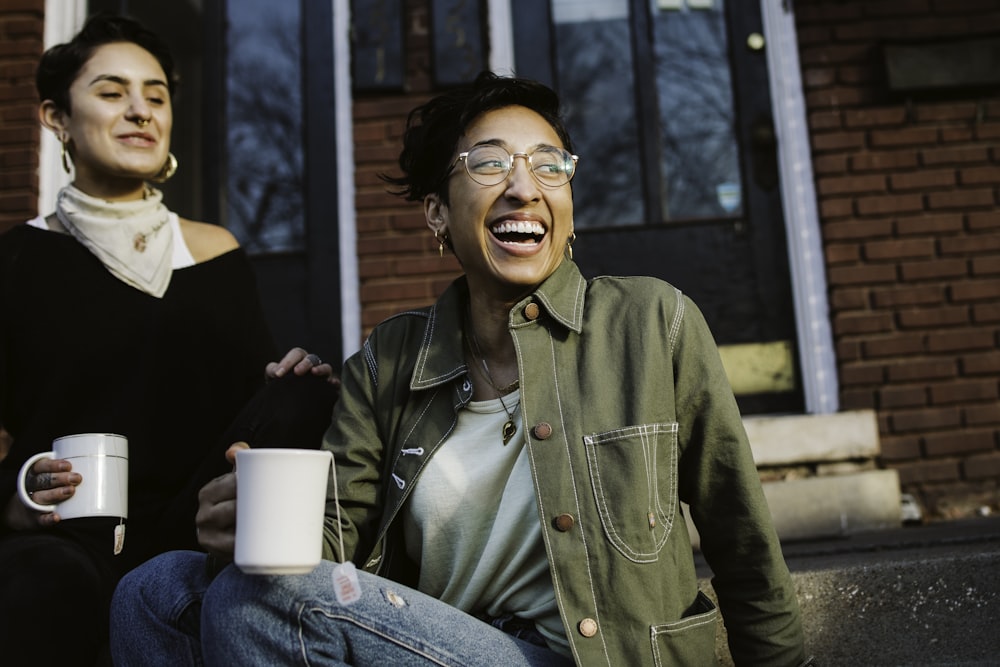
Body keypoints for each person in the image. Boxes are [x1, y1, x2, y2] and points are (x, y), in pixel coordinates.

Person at [110, 71, 809, 666]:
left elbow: (742, 538)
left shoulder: (653, 323)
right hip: (440, 643)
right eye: (489, 163)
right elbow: (334, 542)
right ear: (438, 213)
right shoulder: (390, 359)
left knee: (250, 602)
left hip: (593, 652)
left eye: (548, 164)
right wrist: (252, 521)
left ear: (568, 202)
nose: (523, 186)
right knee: (152, 589)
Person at [0, 13, 338, 666]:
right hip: (71, 534)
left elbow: (251, 404)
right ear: (55, 118)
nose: (139, 110)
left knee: (301, 391)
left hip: (197, 522)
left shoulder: (218, 254)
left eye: (156, 96)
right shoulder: (17, 260)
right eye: (111, 92)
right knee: (40, 581)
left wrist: (290, 387)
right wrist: (13, 496)